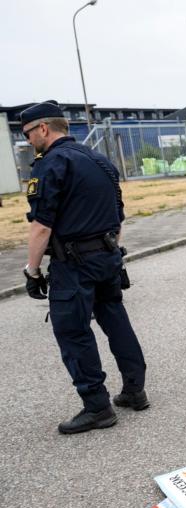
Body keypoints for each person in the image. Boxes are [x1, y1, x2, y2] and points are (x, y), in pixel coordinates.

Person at [20, 101, 148, 435]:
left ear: (44, 128)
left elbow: (41, 227)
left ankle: (97, 407)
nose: (28, 140)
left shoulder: (50, 164)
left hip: (73, 264)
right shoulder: (99, 160)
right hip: (107, 256)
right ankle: (135, 390)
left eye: (28, 133)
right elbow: (119, 214)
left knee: (73, 332)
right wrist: (112, 251)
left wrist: (32, 270)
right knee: (115, 319)